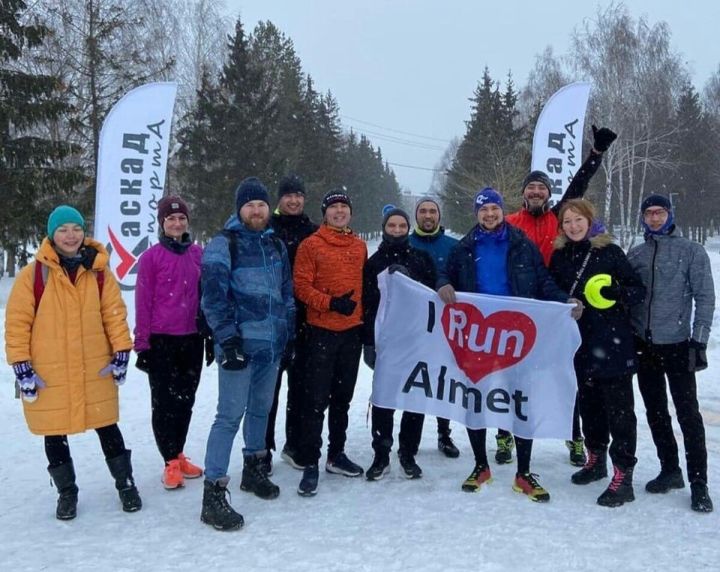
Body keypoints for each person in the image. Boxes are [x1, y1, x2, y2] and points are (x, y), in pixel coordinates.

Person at [437, 188, 582, 502]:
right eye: (483, 210)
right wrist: (443, 283)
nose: (489, 214)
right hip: (478, 338)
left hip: (517, 337)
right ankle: (480, 466)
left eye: (494, 208)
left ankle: (524, 473)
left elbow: (542, 280)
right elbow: (444, 272)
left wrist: (563, 301)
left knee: (520, 401)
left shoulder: (520, 244)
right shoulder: (463, 248)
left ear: (502, 210)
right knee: (476, 400)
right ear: (476, 214)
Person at [5, 205, 141, 520]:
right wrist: (21, 364)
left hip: (94, 364)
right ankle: (67, 493)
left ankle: (125, 483)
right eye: (63, 229)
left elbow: (114, 313)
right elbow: (17, 323)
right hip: (49, 369)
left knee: (107, 425)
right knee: (54, 431)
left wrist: (121, 349)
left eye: (76, 228)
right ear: (52, 234)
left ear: (84, 232)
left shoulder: (99, 271)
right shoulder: (33, 275)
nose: (71, 235)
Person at [505, 125, 617, 467]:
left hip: (555, 306)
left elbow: (578, 187)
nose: (536, 191)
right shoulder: (509, 221)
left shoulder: (557, 218)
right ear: (524, 193)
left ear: (548, 194)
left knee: (565, 374)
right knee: (512, 374)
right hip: (518, 306)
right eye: (531, 187)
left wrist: (595, 155)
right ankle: (504, 433)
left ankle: (575, 437)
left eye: (541, 187)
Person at [199, 177, 295, 531]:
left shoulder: (275, 244)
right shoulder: (224, 244)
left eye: (261, 205)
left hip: (270, 346)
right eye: (250, 205)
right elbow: (212, 297)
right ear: (240, 208)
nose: (257, 211)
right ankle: (213, 492)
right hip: (239, 347)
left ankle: (254, 469)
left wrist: (288, 331)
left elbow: (286, 291)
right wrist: (228, 339)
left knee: (260, 410)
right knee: (228, 416)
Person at [549, 199, 645, 507]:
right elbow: (551, 291)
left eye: (578, 220)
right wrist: (565, 301)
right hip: (580, 345)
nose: (574, 226)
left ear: (590, 221)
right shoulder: (560, 256)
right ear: (561, 227)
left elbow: (637, 290)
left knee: (619, 412)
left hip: (614, 343)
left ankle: (623, 474)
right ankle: (596, 459)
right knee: (589, 406)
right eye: (567, 222)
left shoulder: (611, 252)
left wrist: (618, 293)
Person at [627, 194, 714, 513]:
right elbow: (628, 296)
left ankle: (699, 482)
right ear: (642, 217)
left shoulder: (691, 251)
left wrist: (699, 340)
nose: (653, 218)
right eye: (648, 213)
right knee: (655, 412)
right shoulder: (636, 253)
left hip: (678, 344)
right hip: (644, 345)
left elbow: (705, 297)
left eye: (659, 213)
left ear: (669, 214)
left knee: (688, 415)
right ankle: (670, 470)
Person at [293, 189, 367, 496]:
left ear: (350, 213)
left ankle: (336, 454)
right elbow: (301, 287)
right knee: (315, 401)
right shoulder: (311, 244)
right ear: (325, 213)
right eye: (334, 207)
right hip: (321, 332)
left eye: (344, 207)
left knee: (342, 399)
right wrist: (331, 303)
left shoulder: (360, 245)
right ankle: (310, 460)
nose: (339, 211)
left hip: (352, 334)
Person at [134, 195, 208, 490]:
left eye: (181, 218)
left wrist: (210, 332)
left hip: (192, 339)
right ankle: (169, 461)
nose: (176, 223)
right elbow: (143, 302)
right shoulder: (151, 258)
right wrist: (142, 344)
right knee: (164, 403)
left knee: (186, 401)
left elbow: (207, 296)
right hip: (162, 340)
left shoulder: (198, 254)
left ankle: (178, 452)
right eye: (170, 219)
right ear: (162, 224)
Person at [362, 206, 437, 481]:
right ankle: (381, 454)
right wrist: (368, 343)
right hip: (386, 343)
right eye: (391, 226)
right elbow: (368, 306)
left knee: (414, 397)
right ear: (384, 229)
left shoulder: (422, 258)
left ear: (408, 229)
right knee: (384, 398)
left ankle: (408, 452)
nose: (396, 231)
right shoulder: (373, 263)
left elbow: (432, 296)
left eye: (401, 226)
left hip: (416, 339)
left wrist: (410, 278)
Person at [264, 174, 318, 474]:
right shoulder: (267, 229)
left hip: (306, 320)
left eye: (298, 195)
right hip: (271, 320)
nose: (294, 200)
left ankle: (294, 445)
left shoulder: (313, 231)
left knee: (301, 389)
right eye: (288, 196)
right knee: (267, 390)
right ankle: (263, 448)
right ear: (279, 199)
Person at [408, 197, 461, 458]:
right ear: (416, 215)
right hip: (413, 326)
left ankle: (444, 433)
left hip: (447, 326)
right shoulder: (404, 244)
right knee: (415, 380)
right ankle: (410, 439)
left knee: (444, 379)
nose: (428, 215)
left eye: (432, 211)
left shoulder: (453, 246)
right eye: (423, 211)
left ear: (439, 216)